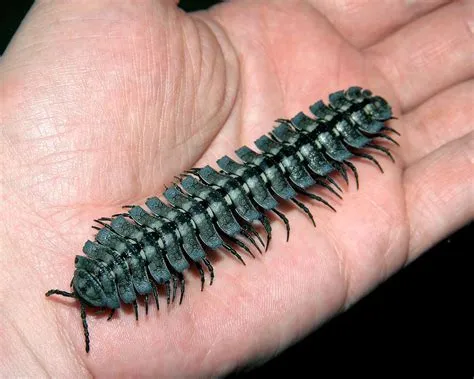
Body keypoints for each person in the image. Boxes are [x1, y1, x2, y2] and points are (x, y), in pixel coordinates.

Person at [0, 0, 472, 376]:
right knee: (249, 193)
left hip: (317, 142)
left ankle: (348, 126)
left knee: (261, 183)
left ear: (112, 236)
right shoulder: (135, 252)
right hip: (267, 176)